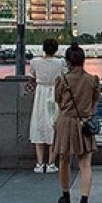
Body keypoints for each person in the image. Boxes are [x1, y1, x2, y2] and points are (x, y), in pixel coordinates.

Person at [53, 44, 99, 203]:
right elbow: (95, 102)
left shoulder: (62, 80)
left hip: (66, 122)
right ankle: (84, 202)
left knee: (64, 160)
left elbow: (57, 101)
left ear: (67, 61)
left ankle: (66, 196)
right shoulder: (93, 79)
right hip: (85, 123)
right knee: (85, 164)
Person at [28, 38, 64, 174]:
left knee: (38, 124)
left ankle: (39, 163)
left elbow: (32, 75)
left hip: (40, 93)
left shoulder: (35, 62)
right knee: (53, 125)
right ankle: (51, 163)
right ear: (56, 49)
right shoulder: (60, 63)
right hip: (54, 93)